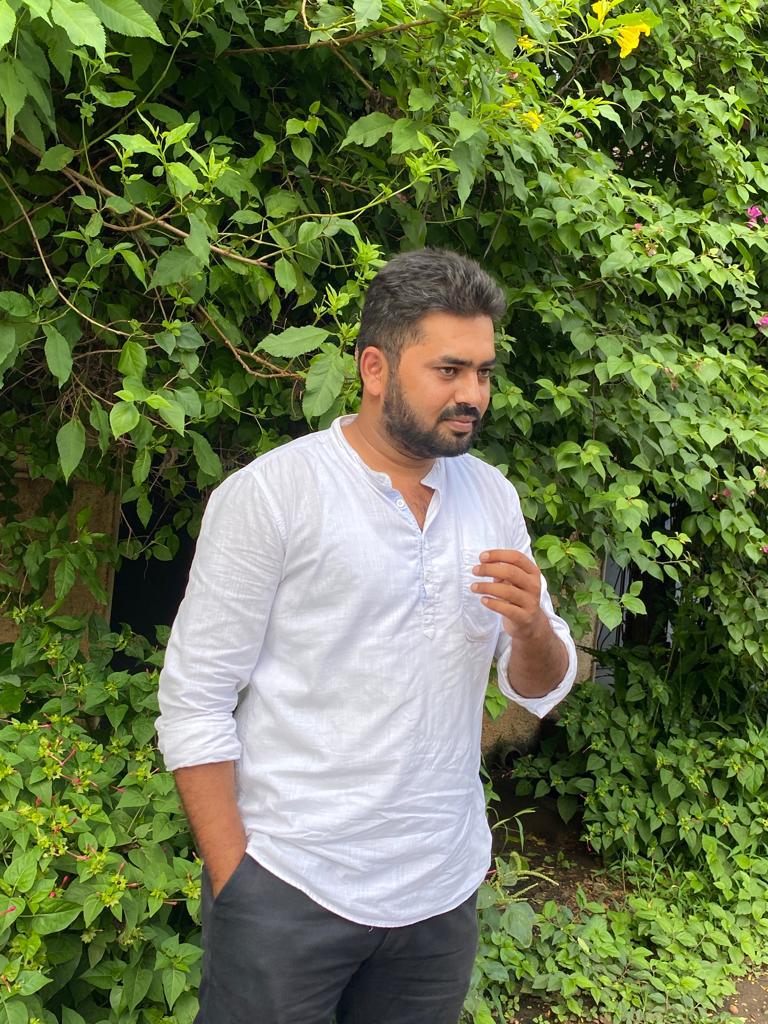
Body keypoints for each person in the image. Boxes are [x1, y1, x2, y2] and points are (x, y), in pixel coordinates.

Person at [156, 248, 577, 1024]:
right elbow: (194, 699)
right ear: (375, 368)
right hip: (289, 888)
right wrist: (236, 879)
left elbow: (540, 683)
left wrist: (529, 628)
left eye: (483, 373)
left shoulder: (492, 497)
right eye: (449, 370)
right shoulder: (274, 496)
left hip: (438, 897)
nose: (472, 395)